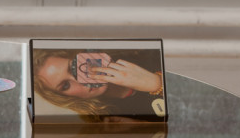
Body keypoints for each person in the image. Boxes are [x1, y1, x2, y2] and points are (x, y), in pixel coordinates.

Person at [31, 47, 166, 121]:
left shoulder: (149, 52)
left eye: (74, 66)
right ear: (65, 97)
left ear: (85, 53)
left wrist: (155, 83)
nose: (79, 80)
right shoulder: (106, 124)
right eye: (65, 85)